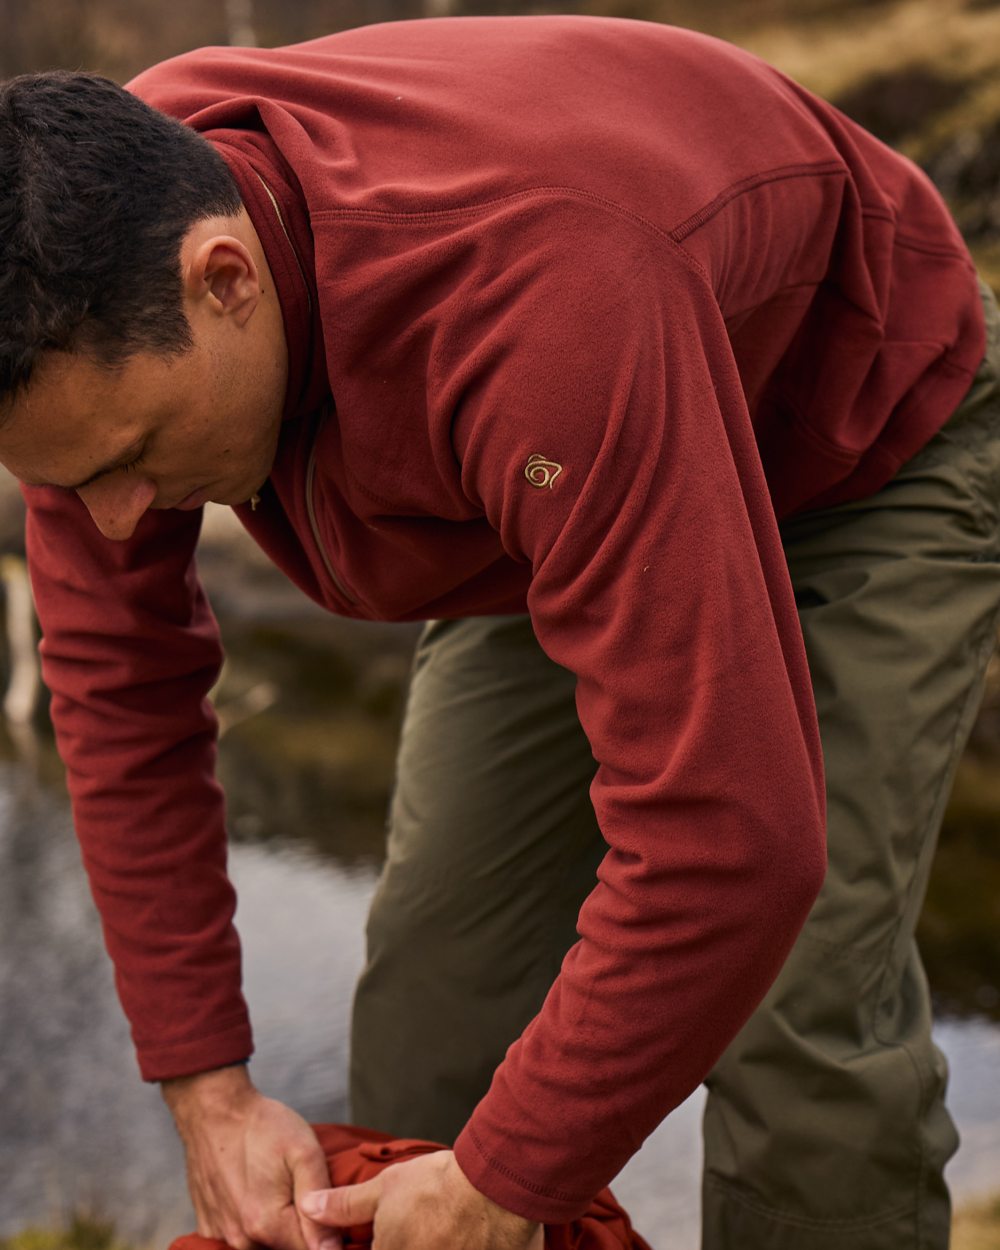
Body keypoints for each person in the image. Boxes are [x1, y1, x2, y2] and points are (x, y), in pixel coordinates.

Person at [1, 14, 997, 1250]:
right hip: (553, 507)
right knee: (436, 1013)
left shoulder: (540, 299)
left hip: (861, 443)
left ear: (226, 278)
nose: (110, 518)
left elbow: (731, 842)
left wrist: (507, 1181)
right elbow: (119, 688)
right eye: (65, 481)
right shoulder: (75, 252)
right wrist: (204, 1086)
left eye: (134, 459)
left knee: (799, 1008)